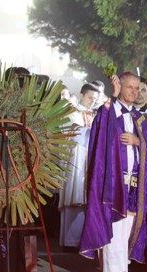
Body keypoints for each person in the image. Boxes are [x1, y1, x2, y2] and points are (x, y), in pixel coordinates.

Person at [79, 72, 147, 272]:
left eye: (137, 88)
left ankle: (122, 266)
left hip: (133, 180)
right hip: (113, 179)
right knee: (114, 220)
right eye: (129, 87)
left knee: (129, 223)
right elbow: (101, 131)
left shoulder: (138, 118)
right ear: (120, 87)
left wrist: (138, 142)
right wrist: (112, 98)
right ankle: (113, 270)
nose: (134, 91)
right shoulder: (110, 111)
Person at [59, 83, 98, 249]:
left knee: (86, 201)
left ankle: (82, 240)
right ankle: (70, 241)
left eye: (95, 99)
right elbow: (67, 133)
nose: (92, 102)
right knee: (74, 200)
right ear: (81, 95)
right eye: (89, 98)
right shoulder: (72, 113)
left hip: (89, 159)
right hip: (76, 159)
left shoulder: (95, 114)